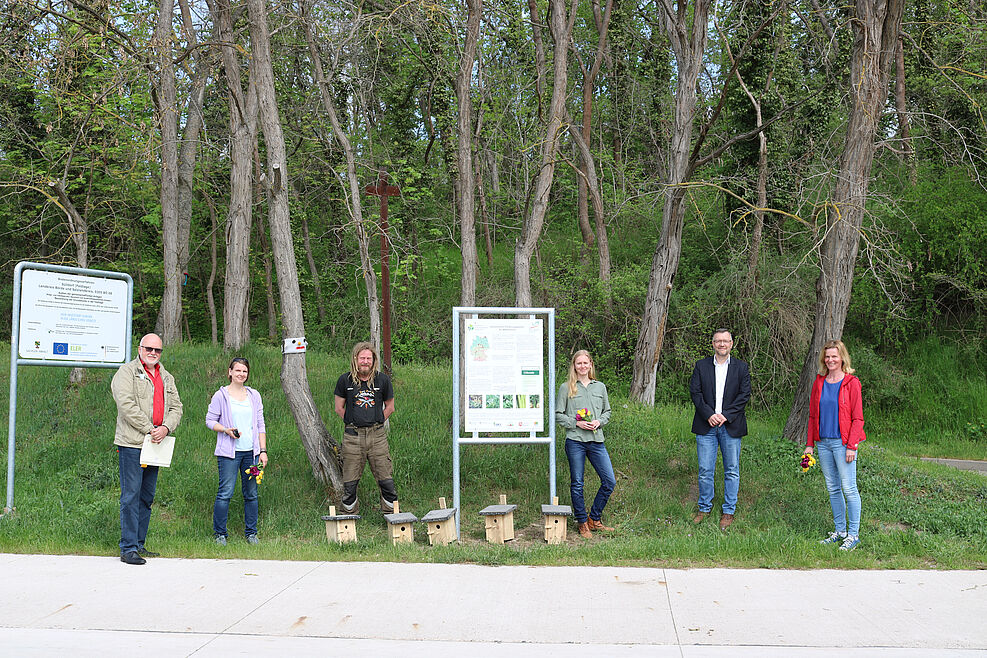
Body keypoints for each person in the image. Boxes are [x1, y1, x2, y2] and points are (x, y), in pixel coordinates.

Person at [110, 333, 183, 565]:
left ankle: (139, 544)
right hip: (133, 443)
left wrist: (166, 428)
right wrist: (150, 428)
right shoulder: (126, 372)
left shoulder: (166, 376)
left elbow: (177, 407)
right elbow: (125, 404)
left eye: (158, 350)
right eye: (149, 348)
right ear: (140, 348)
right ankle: (128, 548)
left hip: (157, 444)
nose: (153, 353)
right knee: (131, 495)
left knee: (146, 497)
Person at [803, 339, 865, 552]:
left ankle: (853, 535)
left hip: (843, 443)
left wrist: (852, 446)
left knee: (849, 488)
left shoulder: (851, 383)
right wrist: (809, 445)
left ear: (842, 358)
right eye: (827, 356)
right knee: (833, 487)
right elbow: (812, 417)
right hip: (823, 444)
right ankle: (839, 531)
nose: (830, 360)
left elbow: (858, 419)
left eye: (834, 356)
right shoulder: (819, 382)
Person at [689, 328, 752, 531]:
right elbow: (695, 393)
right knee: (705, 470)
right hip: (706, 424)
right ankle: (704, 508)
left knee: (731, 471)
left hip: (731, 425)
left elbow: (744, 395)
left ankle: (728, 511)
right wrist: (710, 414)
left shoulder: (741, 368)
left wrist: (725, 415)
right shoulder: (701, 366)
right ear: (713, 343)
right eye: (718, 341)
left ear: (731, 343)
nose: (722, 344)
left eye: (725, 341)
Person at [205, 357, 269, 545]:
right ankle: (220, 534)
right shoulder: (221, 396)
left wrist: (262, 451)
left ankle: (251, 533)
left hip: (252, 453)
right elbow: (209, 421)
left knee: (251, 493)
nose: (241, 374)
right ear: (230, 372)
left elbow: (260, 424)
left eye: (245, 371)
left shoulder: (254, 395)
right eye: (238, 370)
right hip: (229, 455)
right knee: (225, 492)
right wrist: (225, 429)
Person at [555, 350, 615, 539]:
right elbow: (558, 414)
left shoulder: (600, 387)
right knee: (577, 483)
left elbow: (607, 411)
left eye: (585, 363)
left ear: (590, 365)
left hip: (597, 441)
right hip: (576, 441)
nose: (582, 366)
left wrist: (599, 421)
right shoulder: (567, 387)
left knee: (609, 481)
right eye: (578, 363)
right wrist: (576, 422)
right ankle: (582, 522)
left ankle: (594, 519)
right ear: (574, 366)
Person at [334, 342, 397, 514]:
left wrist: (376, 421)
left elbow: (389, 407)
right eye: (362, 358)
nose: (365, 361)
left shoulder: (382, 380)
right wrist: (353, 420)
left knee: (386, 480)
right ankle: (348, 518)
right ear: (355, 359)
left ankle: (391, 515)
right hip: (352, 437)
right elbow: (339, 408)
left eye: (369, 358)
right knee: (350, 483)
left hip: (377, 437)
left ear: (373, 360)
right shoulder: (344, 380)